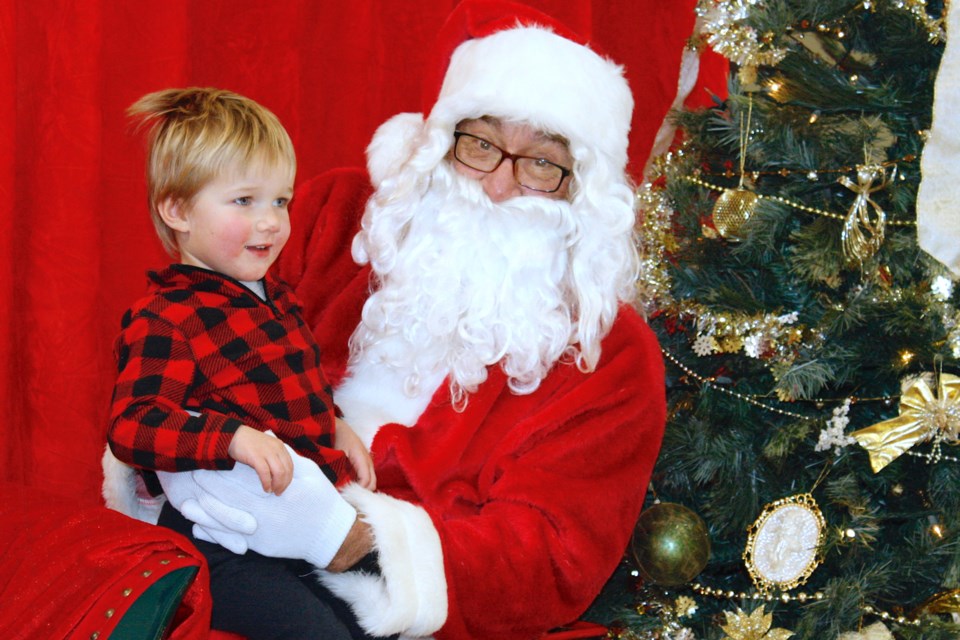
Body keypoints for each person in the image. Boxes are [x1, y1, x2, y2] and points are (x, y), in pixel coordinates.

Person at [123, 1, 667, 638]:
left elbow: (547, 556)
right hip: (224, 512)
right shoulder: (338, 218)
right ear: (440, 142)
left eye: (543, 163)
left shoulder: (612, 356)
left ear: (582, 185)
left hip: (394, 605)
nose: (498, 186)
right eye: (481, 145)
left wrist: (350, 539)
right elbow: (197, 339)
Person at [103, 87, 375, 639]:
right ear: (177, 210)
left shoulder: (277, 300)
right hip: (225, 542)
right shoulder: (167, 316)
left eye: (281, 201)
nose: (272, 222)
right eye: (245, 201)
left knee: (385, 617)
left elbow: (300, 388)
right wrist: (228, 437)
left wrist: (336, 423)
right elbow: (133, 426)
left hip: (302, 525)